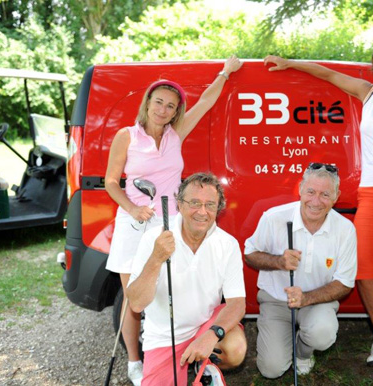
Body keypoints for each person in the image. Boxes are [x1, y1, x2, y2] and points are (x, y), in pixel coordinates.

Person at [264, 43, 373, 368]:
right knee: (362, 265)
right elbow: (328, 74)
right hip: (372, 189)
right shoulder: (368, 93)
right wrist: (289, 63)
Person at [104, 57, 242, 385]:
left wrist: (226, 72)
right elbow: (111, 181)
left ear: (176, 111)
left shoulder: (175, 133)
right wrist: (133, 208)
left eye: (170, 105)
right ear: (147, 103)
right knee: (134, 299)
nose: (163, 110)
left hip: (169, 221)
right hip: (135, 223)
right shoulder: (127, 136)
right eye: (158, 102)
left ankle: (190, 351)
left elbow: (207, 101)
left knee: (176, 291)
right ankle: (135, 361)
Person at [127, 172, 247, 385]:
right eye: (194, 203)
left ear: (218, 209)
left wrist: (211, 336)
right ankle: (197, 363)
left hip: (206, 324)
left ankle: (207, 366)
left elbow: (237, 304)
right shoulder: (153, 239)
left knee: (235, 348)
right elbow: (136, 304)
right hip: (164, 337)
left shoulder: (227, 244)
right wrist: (156, 258)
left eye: (210, 205)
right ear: (179, 205)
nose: (202, 212)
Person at [244, 163, 357, 378]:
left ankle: (303, 353)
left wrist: (306, 298)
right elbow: (250, 254)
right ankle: (285, 342)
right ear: (300, 190)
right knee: (271, 370)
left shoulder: (345, 229)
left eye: (325, 194)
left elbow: (345, 282)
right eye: (311, 192)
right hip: (276, 300)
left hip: (317, 301)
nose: (316, 201)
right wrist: (279, 262)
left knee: (322, 334)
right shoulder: (274, 217)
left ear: (336, 196)